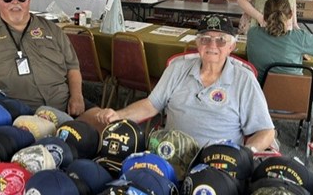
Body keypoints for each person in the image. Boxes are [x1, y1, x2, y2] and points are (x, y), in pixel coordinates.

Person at [96, 14, 275, 151]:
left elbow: (266, 131)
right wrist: (119, 115)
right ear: (198, 44)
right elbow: (151, 105)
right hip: (171, 152)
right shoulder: (178, 68)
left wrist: (244, 154)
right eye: (205, 39)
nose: (212, 45)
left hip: (218, 162)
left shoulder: (244, 79)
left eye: (221, 40)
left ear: (232, 47)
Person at [247, 0, 313, 82]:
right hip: (293, 95)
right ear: (291, 14)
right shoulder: (300, 38)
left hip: (258, 93)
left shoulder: (252, 33)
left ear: (264, 16)